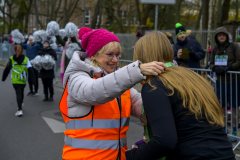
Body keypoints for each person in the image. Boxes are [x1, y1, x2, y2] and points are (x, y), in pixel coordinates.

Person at [59, 27, 167, 160]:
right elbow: (94, 91)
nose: (115, 60)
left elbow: (137, 102)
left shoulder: (118, 81)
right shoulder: (77, 77)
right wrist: (136, 70)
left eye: (118, 55)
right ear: (93, 55)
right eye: (110, 55)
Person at [125, 31, 235, 160]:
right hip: (224, 154)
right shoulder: (191, 76)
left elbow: (164, 141)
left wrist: (132, 155)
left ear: (141, 57)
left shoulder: (155, 85)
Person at [210, 26, 240, 142]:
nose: (221, 36)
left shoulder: (235, 47)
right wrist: (215, 68)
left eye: (223, 34)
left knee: (234, 107)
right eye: (219, 35)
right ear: (217, 37)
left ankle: (234, 130)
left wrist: (228, 68)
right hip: (220, 82)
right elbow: (211, 64)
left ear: (226, 36)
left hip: (234, 81)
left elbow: (239, 61)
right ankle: (223, 129)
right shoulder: (215, 49)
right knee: (220, 107)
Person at [2, 45, 36, 116]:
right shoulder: (26, 59)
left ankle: (19, 110)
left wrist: (3, 78)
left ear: (14, 51)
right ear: (22, 51)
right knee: (21, 91)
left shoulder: (11, 59)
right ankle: (20, 105)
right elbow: (31, 70)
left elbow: (7, 69)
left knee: (18, 93)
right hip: (23, 80)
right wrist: (34, 81)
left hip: (15, 80)